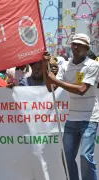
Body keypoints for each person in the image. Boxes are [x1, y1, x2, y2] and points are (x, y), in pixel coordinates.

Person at [42, 33, 99, 180]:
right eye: (73, 43)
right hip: (72, 118)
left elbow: (81, 90)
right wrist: (44, 66)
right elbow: (51, 87)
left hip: (89, 118)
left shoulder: (93, 65)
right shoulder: (65, 65)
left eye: (79, 44)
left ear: (86, 49)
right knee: (67, 158)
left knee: (85, 156)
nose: (75, 47)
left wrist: (56, 81)